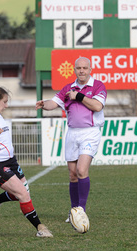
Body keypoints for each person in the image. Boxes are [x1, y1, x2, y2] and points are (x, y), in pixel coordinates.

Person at [0, 86, 53, 238]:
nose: (7, 105)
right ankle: (41, 228)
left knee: (23, 192)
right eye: (5, 102)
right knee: (23, 195)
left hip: (11, 161)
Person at [35, 56, 107, 222]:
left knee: (82, 170)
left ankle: (81, 210)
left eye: (85, 68)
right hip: (72, 132)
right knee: (73, 174)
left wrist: (78, 96)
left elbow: (97, 106)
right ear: (74, 70)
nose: (81, 70)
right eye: (78, 68)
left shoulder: (97, 86)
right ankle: (74, 210)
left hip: (90, 132)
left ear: (90, 70)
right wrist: (44, 104)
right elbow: (54, 103)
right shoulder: (68, 88)